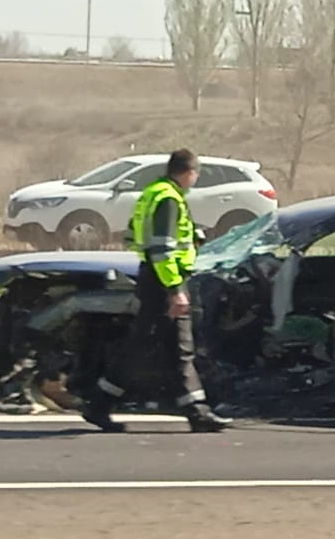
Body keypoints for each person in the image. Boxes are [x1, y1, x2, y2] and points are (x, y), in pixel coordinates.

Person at [82, 148, 232, 434]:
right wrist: (175, 289)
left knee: (144, 346)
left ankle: (99, 404)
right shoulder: (169, 199)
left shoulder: (153, 193)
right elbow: (162, 249)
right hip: (165, 281)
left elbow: (134, 235)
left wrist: (191, 235)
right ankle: (197, 413)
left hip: (153, 279)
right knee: (180, 347)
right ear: (190, 173)